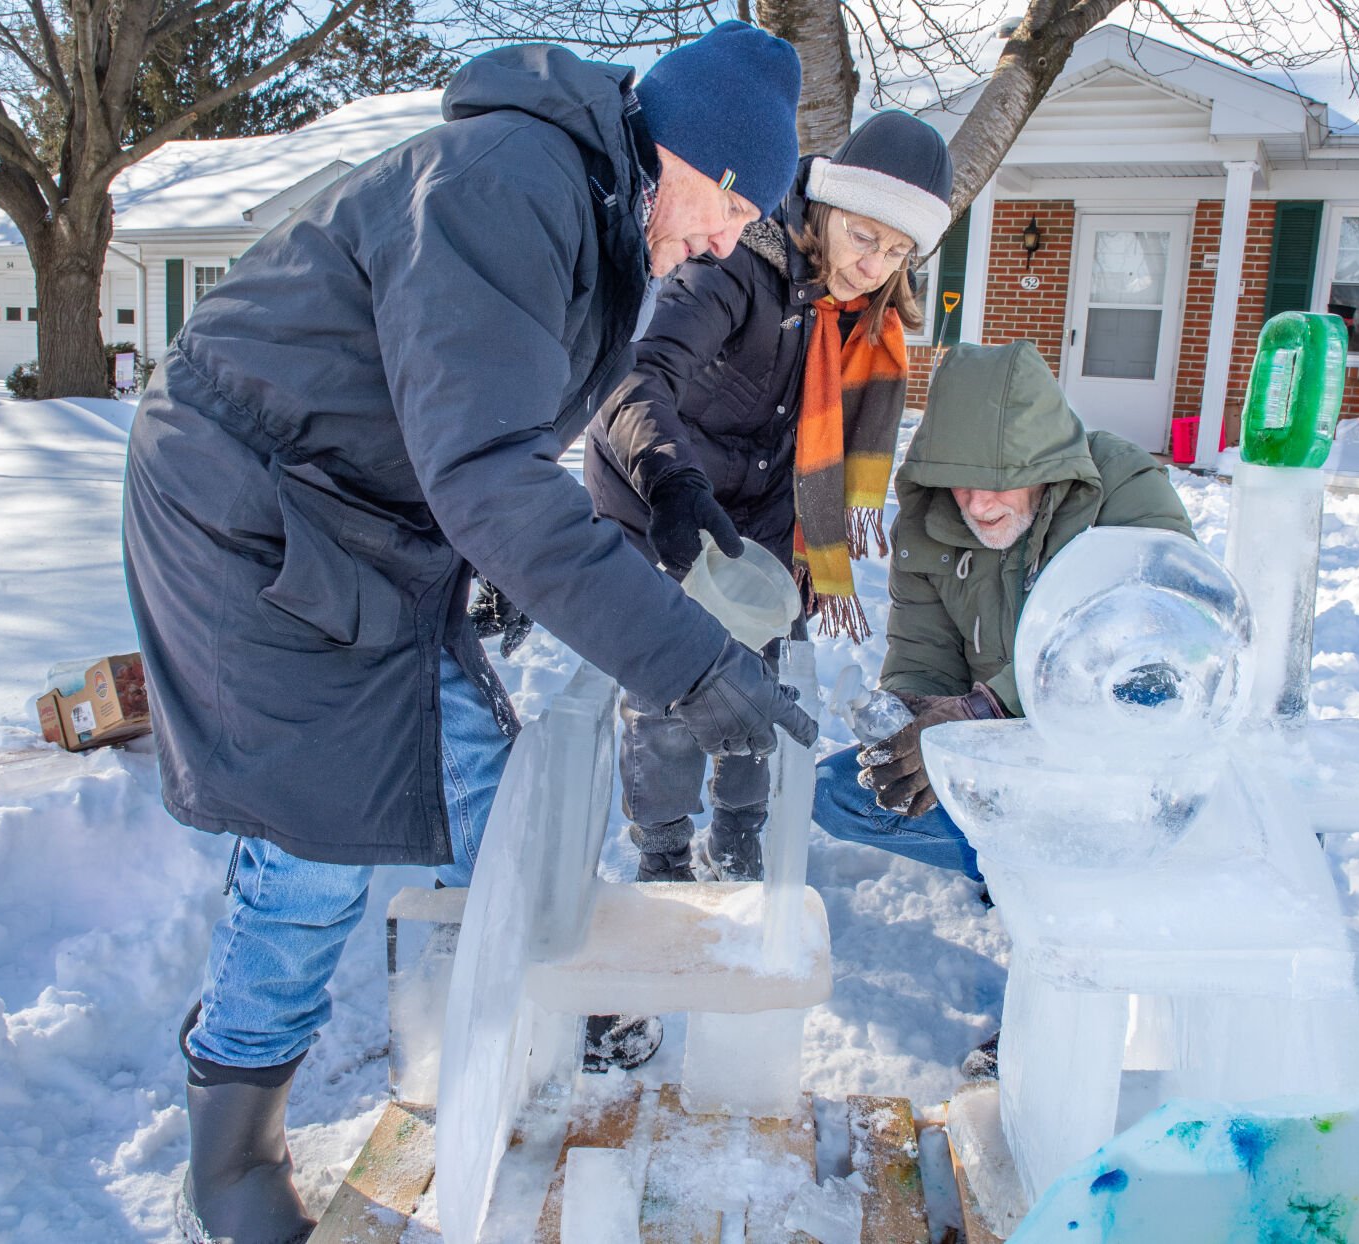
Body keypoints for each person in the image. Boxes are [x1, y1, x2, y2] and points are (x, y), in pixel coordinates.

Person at [122, 24, 814, 1244]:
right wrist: (684, 657)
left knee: (494, 795)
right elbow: (488, 470)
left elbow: (517, 403)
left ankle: (507, 1031)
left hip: (370, 524)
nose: (723, 240)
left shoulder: (597, 213)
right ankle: (232, 1149)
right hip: (249, 508)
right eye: (730, 205)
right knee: (310, 841)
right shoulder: (509, 180)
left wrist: (668, 492)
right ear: (685, 153)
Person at [585, 110, 953, 883]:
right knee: (672, 686)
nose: (873, 264)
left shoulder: (869, 322)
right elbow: (637, 376)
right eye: (862, 235)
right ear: (825, 207)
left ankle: (738, 838)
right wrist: (670, 482)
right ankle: (662, 853)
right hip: (665, 497)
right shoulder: (735, 265)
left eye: (896, 251)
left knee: (763, 678)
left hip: (762, 521)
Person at [810, 339, 1195, 1070]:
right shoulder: (930, 520)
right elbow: (921, 652)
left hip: (1114, 756)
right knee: (842, 792)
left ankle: (1057, 999)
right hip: (1003, 762)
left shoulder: (1120, 486)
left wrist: (984, 710)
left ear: (1045, 465)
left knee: (1086, 819)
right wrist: (912, 724)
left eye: (1000, 484)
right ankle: (1016, 866)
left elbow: (1156, 632)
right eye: (959, 484)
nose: (978, 505)